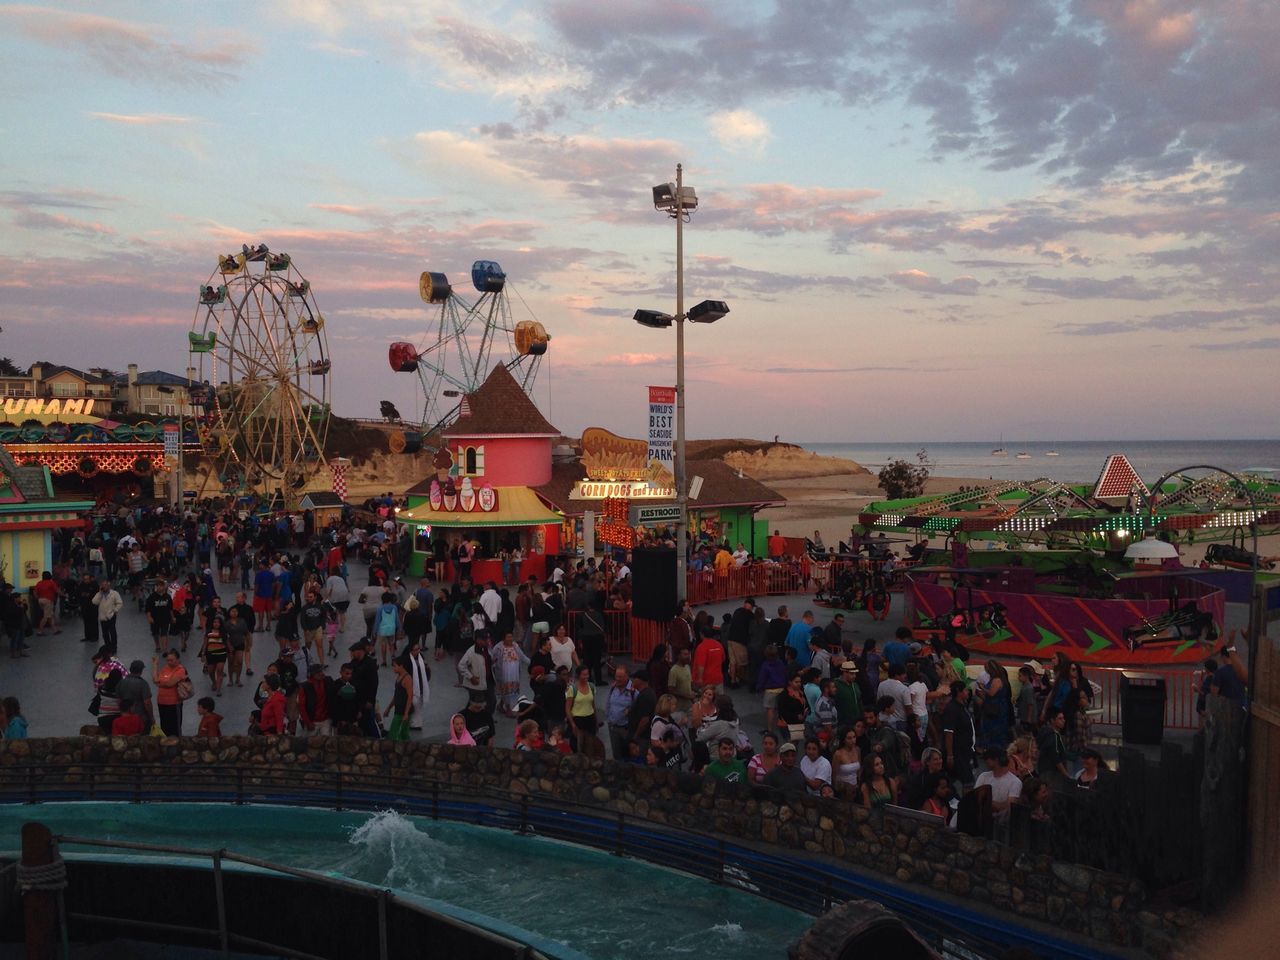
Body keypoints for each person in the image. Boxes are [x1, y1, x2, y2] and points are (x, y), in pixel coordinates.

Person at [974, 747, 1023, 827]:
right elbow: (975, 798)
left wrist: (987, 802)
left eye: (987, 759)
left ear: (996, 760)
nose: (985, 762)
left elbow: (1009, 807)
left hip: (1001, 825)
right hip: (981, 821)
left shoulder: (1015, 782)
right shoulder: (983, 776)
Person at [941, 681, 976, 788]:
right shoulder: (952, 709)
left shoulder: (962, 706)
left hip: (966, 749)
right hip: (959, 752)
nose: (967, 692)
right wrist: (950, 755)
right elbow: (949, 733)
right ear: (958, 692)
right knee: (968, 782)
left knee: (955, 779)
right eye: (965, 690)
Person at [151, 649, 189, 736]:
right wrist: (155, 665)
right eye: (168, 660)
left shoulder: (180, 670)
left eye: (172, 660)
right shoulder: (165, 668)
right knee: (164, 727)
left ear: (178, 659)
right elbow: (155, 679)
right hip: (162, 703)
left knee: (174, 728)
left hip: (174, 704)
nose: (169, 662)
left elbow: (170, 683)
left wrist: (159, 683)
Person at [491, 631, 530, 716]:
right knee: (506, 689)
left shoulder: (515, 645)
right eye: (508, 637)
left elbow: (522, 656)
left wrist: (531, 662)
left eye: (511, 637)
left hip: (514, 672)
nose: (510, 639)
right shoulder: (498, 647)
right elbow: (492, 659)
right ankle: (508, 709)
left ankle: (501, 705)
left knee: (510, 690)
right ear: (503, 638)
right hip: (504, 673)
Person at [605, 666, 636, 761]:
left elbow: (638, 708)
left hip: (626, 729)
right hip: (613, 728)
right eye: (616, 676)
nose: (617, 679)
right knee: (616, 755)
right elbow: (608, 703)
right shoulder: (613, 687)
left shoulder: (633, 690)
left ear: (627, 676)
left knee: (628, 755)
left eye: (620, 677)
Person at [566, 666, 598, 753]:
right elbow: (568, 709)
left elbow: (593, 704)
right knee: (577, 745)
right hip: (578, 719)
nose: (586, 676)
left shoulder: (591, 686)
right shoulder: (572, 689)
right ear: (578, 675)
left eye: (587, 674)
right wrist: (572, 724)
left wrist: (596, 719)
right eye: (584, 675)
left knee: (590, 745)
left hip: (590, 719)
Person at [117, 660, 154, 730]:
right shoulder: (143, 684)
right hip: (141, 717)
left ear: (131, 669)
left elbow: (119, 700)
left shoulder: (121, 682)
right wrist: (151, 717)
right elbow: (147, 703)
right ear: (141, 670)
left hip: (124, 717)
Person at [383, 658, 414, 741]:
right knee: (400, 733)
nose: (393, 668)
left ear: (401, 666)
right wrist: (389, 708)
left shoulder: (407, 679)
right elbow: (396, 695)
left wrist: (406, 713)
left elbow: (410, 696)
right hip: (399, 709)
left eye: (395, 666)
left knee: (401, 733)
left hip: (404, 711)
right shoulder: (399, 677)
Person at [1036, 706, 1070, 778]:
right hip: (1051, 773)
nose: (1063, 720)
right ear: (1052, 720)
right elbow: (1056, 758)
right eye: (1060, 719)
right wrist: (1066, 775)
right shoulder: (1052, 736)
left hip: (1043, 770)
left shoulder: (1044, 731)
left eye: (1063, 718)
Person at [831, 726, 863, 799]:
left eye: (854, 737)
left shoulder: (857, 750)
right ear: (844, 740)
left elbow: (859, 769)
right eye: (849, 738)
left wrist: (859, 783)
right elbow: (834, 774)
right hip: (842, 789)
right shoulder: (838, 754)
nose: (853, 740)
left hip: (855, 787)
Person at [93, 579, 123, 652]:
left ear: (109, 586)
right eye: (102, 585)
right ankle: (108, 646)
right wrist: (100, 593)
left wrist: (115, 610)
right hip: (103, 617)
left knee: (112, 632)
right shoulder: (99, 594)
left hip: (111, 616)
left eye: (105, 585)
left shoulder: (114, 593)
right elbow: (94, 602)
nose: (104, 587)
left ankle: (114, 647)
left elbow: (120, 603)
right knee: (104, 633)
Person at [32, 570, 61, 635]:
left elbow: (35, 592)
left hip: (40, 600)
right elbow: (57, 591)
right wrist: (63, 594)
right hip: (48, 601)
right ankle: (40, 631)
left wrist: (38, 598)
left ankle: (55, 630)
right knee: (46, 617)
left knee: (49, 615)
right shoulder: (51, 582)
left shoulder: (39, 583)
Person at [667, 647, 694, 715]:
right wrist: (686, 696)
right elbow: (671, 690)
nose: (687, 656)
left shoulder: (687, 667)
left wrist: (699, 690)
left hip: (689, 707)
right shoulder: (673, 671)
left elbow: (690, 684)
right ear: (678, 656)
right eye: (685, 654)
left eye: (688, 654)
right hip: (678, 709)